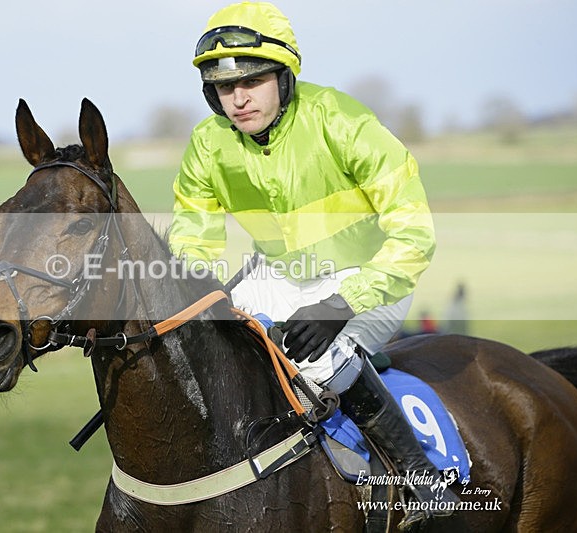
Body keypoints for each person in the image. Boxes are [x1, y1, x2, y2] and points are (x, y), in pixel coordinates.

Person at [168, 2, 457, 529]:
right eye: (223, 87)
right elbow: (192, 236)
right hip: (277, 278)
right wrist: (197, 295)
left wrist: (340, 305)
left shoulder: (343, 120)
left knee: (322, 358)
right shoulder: (208, 145)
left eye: (252, 81)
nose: (238, 98)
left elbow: (414, 235)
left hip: (369, 278)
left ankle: (421, 480)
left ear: (283, 75)